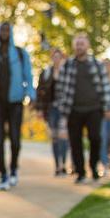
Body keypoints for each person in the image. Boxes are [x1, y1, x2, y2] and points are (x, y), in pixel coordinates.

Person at [0, 22, 36, 191]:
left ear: (11, 33)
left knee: (15, 139)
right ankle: (3, 173)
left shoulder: (20, 53)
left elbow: (28, 75)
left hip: (16, 101)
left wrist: (31, 95)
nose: (4, 33)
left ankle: (14, 169)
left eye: (7, 30)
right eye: (1, 30)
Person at [55, 33, 110, 184]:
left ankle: (93, 167)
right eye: (77, 43)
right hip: (73, 110)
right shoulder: (67, 66)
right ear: (74, 46)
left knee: (95, 138)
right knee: (75, 142)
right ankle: (80, 172)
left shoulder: (97, 65)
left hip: (94, 109)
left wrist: (107, 107)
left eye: (82, 43)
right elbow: (59, 90)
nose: (79, 46)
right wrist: (63, 109)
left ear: (87, 46)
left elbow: (105, 87)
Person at [36, 47, 69, 176]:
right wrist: (39, 109)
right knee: (54, 137)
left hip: (64, 108)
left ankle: (64, 164)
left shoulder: (66, 72)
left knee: (63, 136)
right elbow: (40, 92)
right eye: (54, 57)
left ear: (62, 58)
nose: (56, 59)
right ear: (51, 58)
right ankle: (57, 166)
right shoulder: (46, 73)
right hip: (51, 109)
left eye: (58, 57)